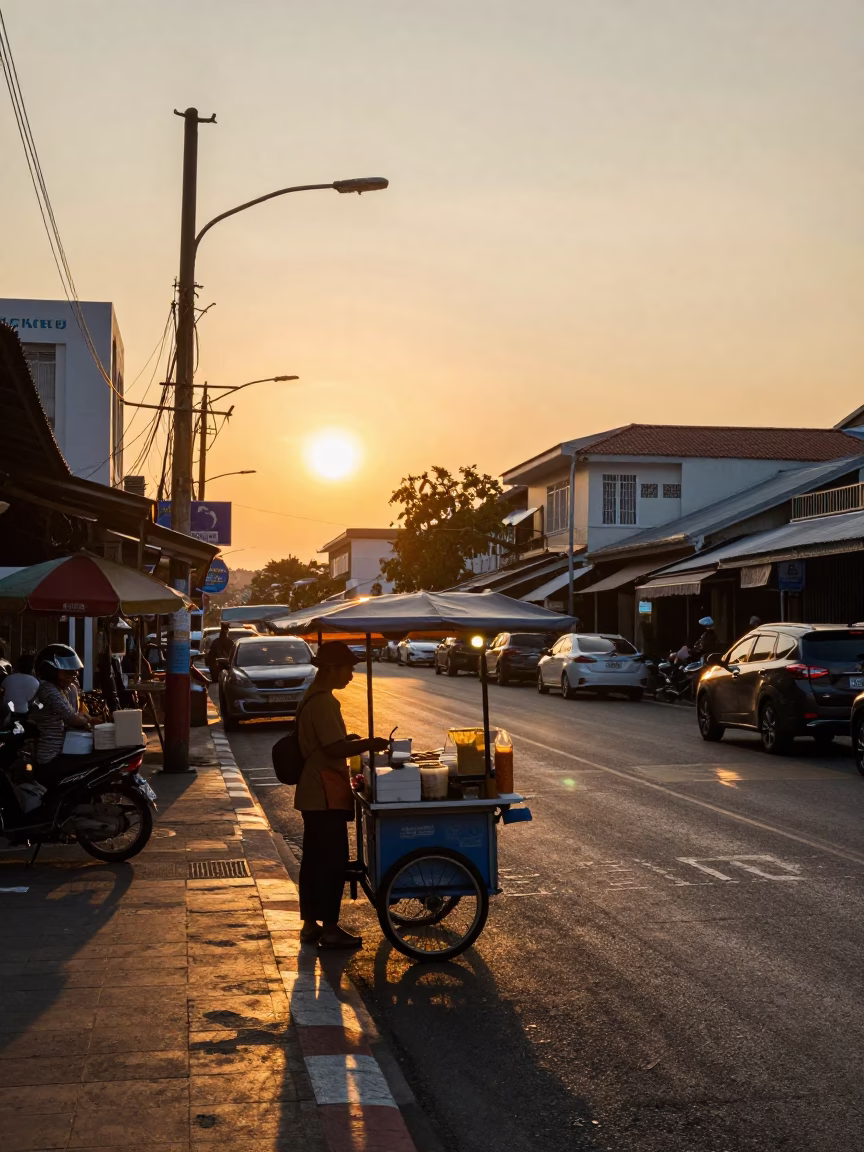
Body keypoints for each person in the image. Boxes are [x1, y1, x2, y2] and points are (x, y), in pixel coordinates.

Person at [294, 641, 390, 950]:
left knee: (314, 860)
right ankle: (331, 928)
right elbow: (334, 749)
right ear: (332, 669)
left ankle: (310, 925)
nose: (350, 676)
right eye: (348, 669)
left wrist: (350, 740)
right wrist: (368, 743)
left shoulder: (313, 695)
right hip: (323, 790)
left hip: (314, 790)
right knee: (331, 861)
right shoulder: (323, 702)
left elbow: (330, 741)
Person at [30, 644, 91, 777]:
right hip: (50, 755)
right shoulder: (49, 690)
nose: (73, 674)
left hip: (60, 750)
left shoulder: (57, 689)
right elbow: (71, 718)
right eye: (67, 671)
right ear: (50, 671)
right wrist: (88, 722)